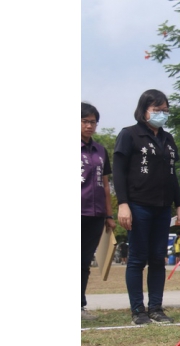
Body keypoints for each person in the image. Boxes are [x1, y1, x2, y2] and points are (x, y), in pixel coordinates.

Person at [113, 89, 180, 325]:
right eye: (156, 110)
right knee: (137, 258)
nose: (161, 114)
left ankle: (156, 307)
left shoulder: (168, 139)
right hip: (138, 205)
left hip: (162, 207)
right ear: (144, 110)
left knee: (157, 258)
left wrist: (179, 204)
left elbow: (172, 175)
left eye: (165, 110)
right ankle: (138, 310)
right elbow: (118, 172)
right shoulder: (129, 135)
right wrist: (123, 204)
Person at [81, 102, 116, 321]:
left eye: (93, 122)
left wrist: (109, 215)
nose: (89, 126)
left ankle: (79, 305)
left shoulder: (100, 150)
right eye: (85, 121)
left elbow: (105, 185)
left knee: (84, 261)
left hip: (95, 214)